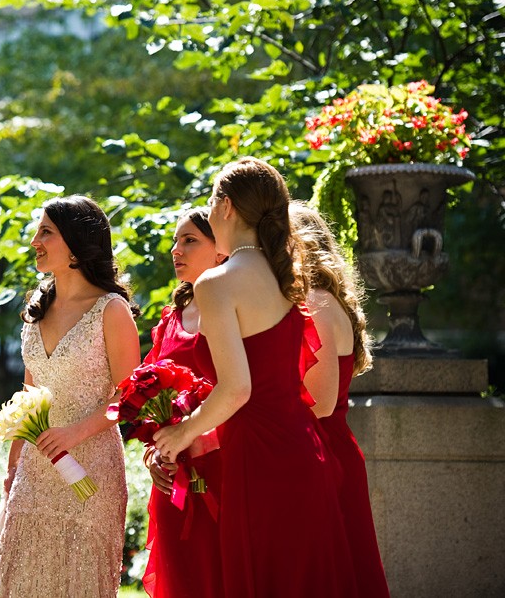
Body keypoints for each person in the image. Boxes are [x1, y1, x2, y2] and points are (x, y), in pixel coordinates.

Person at [153, 157, 357, 597]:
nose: (209, 213)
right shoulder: (288, 277)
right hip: (306, 450)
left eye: (210, 204)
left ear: (226, 207)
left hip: (259, 458)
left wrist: (181, 433)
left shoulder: (217, 283)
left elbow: (237, 388)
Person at [0, 195, 141, 598]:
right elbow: (29, 395)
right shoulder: (37, 309)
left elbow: (131, 395)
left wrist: (75, 432)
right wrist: (14, 459)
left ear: (75, 243)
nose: (34, 240)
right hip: (34, 471)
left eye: (46, 232)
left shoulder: (111, 310)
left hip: (93, 468)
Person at [290, 202, 390, 597]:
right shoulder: (318, 299)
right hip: (325, 450)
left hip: (324, 453)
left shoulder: (315, 302)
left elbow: (320, 401)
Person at [142, 207, 226, 598]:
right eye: (176, 240)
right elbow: (142, 392)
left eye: (190, 240)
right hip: (172, 473)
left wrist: (198, 436)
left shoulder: (235, 308)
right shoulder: (170, 317)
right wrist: (153, 452)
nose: (177, 249)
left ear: (221, 248)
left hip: (225, 469)